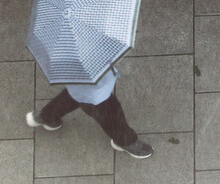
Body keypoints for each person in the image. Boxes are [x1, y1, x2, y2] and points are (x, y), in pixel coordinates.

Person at [26, 64, 154, 158]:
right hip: (95, 92)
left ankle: (47, 117)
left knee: (74, 96)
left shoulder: (65, 49)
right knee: (111, 115)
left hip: (80, 84)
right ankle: (125, 141)